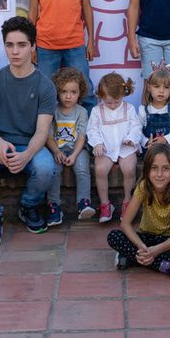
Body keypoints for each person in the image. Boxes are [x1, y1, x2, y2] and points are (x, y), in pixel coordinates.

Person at [0, 17, 57, 245]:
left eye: (22, 45)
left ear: (33, 47)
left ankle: (28, 206)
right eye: (9, 45)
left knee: (46, 167)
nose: (15, 51)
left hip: (29, 145)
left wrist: (27, 154)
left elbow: (42, 131)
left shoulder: (45, 85)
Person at [107, 143, 170, 281]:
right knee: (114, 236)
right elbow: (125, 223)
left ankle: (133, 258)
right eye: (154, 168)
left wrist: (157, 250)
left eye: (166, 168)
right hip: (146, 239)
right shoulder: (143, 187)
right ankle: (166, 267)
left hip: (168, 241)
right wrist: (142, 247)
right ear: (147, 170)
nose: (159, 174)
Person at [87, 72, 143, 223]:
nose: (112, 106)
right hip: (105, 147)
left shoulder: (129, 109)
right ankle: (105, 204)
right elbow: (92, 130)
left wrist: (131, 138)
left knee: (129, 169)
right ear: (101, 97)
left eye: (116, 102)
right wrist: (97, 143)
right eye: (108, 102)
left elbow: (136, 127)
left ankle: (127, 201)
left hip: (125, 147)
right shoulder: (97, 111)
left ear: (123, 95)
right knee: (100, 169)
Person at [45, 67, 95, 225]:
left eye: (73, 92)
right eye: (63, 91)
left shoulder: (81, 112)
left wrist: (74, 155)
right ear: (57, 92)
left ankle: (84, 203)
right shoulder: (53, 111)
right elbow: (48, 136)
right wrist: (56, 151)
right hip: (57, 148)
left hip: (77, 149)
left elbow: (81, 136)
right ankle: (54, 206)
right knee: (53, 171)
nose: (68, 96)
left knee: (82, 168)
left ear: (80, 93)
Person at [138, 65, 170, 153]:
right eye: (157, 86)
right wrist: (146, 142)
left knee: (168, 154)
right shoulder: (143, 110)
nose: (161, 91)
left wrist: (166, 139)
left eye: (166, 87)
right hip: (150, 147)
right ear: (149, 88)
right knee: (153, 155)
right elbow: (137, 131)